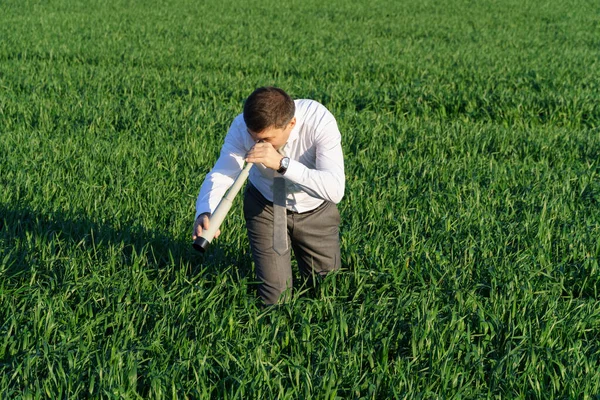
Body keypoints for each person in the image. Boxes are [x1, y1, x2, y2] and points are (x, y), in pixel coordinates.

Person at [193, 87, 345, 305]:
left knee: (326, 290)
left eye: (267, 138)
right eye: (254, 137)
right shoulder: (241, 127)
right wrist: (205, 211)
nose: (259, 144)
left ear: (290, 124)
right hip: (265, 206)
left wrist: (282, 164)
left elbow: (335, 189)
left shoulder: (319, 120)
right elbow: (222, 173)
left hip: (314, 210)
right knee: (275, 299)